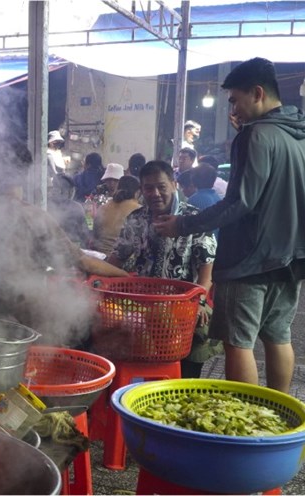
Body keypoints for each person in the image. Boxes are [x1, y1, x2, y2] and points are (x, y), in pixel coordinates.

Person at [154, 57, 305, 392]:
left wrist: (182, 225)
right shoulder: (298, 136)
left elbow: (239, 202)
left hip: (249, 258)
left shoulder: (255, 136)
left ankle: (247, 425)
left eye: (235, 100)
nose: (233, 109)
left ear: (257, 93)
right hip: (291, 258)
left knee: (239, 342)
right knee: (278, 336)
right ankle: (280, 412)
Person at [0, 154, 128, 346]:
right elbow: (82, 261)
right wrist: (125, 275)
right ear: (24, 177)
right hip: (23, 313)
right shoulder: (33, 216)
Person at [106, 161, 219, 378]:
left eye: (161, 186)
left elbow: (207, 270)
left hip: (185, 307)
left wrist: (200, 302)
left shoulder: (193, 219)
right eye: (148, 188)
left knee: (188, 364)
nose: (155, 193)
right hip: (143, 307)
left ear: (174, 184)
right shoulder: (136, 219)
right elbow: (116, 258)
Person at [90, 175, 141, 255]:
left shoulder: (103, 207)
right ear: (137, 193)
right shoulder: (138, 210)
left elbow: (94, 236)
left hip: (98, 258)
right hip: (118, 261)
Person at [47, 173, 90, 247]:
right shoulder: (77, 207)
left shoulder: (44, 205)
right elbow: (85, 233)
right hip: (72, 249)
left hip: (52, 248)